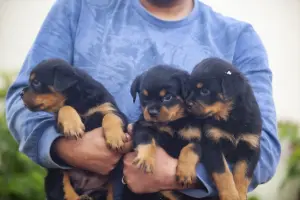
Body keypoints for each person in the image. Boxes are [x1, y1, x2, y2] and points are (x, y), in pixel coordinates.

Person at [6, 0, 281, 199]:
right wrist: (65, 149)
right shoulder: (76, 9)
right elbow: (23, 102)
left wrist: (180, 174)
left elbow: (263, 147)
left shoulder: (239, 38)